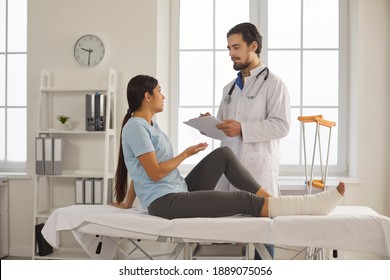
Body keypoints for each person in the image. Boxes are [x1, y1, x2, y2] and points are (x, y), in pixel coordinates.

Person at [113, 75, 345, 222]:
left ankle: (271, 199)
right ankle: (297, 205)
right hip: (165, 202)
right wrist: (185, 154)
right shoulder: (136, 127)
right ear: (147, 96)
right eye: (159, 91)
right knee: (241, 199)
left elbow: (138, 172)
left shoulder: (149, 125)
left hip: (179, 189)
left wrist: (126, 203)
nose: (163, 95)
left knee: (223, 154)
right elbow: (153, 173)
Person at [201, 22, 291, 259]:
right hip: (230, 170)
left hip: (257, 169)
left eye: (236, 47)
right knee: (233, 233)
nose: (231, 53)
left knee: (263, 233)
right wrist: (209, 125)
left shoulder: (274, 84)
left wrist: (243, 129)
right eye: (229, 48)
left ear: (254, 46)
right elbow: (224, 127)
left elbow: (282, 125)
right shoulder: (229, 88)